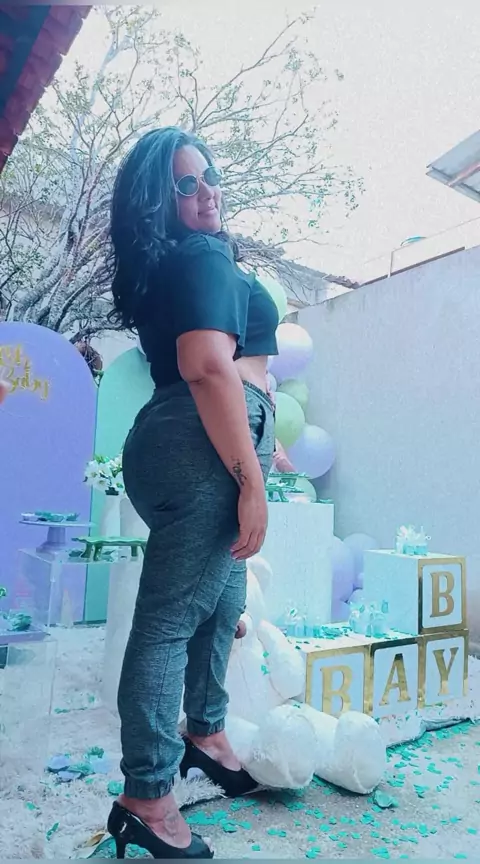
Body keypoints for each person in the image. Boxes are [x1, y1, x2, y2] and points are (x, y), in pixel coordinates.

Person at [107, 127, 279, 860]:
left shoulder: (172, 263)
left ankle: (204, 733)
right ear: (159, 201)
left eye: (209, 176)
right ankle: (147, 794)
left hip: (181, 441)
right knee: (173, 618)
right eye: (184, 184)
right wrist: (250, 480)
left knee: (222, 598)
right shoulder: (203, 254)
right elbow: (208, 366)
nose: (207, 191)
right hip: (204, 445)